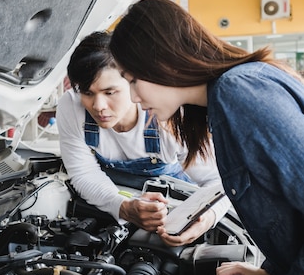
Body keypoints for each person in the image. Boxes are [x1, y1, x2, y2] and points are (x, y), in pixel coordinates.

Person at [109, 0, 304, 275]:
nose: (132, 95)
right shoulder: (234, 92)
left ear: (159, 60)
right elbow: (298, 203)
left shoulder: (240, 92)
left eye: (131, 79)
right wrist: (278, 274)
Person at [57, 31, 230, 247]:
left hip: (174, 215)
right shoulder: (71, 107)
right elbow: (83, 172)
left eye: (110, 92)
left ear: (133, 81)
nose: (98, 106)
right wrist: (123, 207)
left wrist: (207, 220)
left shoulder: (169, 117)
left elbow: (218, 181)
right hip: (111, 206)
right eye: (87, 93)